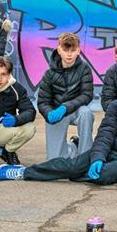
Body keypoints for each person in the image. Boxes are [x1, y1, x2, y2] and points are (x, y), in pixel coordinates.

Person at [0, 67, 117, 184]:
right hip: (109, 150)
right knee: (73, 164)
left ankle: (75, 174)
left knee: (103, 176)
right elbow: (105, 134)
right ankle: (23, 172)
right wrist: (98, 156)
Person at [37, 32, 94, 160]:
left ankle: (85, 157)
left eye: (73, 50)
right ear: (59, 50)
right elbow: (42, 101)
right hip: (57, 113)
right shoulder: (49, 73)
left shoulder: (84, 68)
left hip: (75, 110)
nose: (69, 54)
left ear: (78, 50)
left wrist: (65, 107)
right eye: (65, 50)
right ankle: (74, 145)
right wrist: (48, 113)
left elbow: (87, 95)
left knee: (87, 113)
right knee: (54, 160)